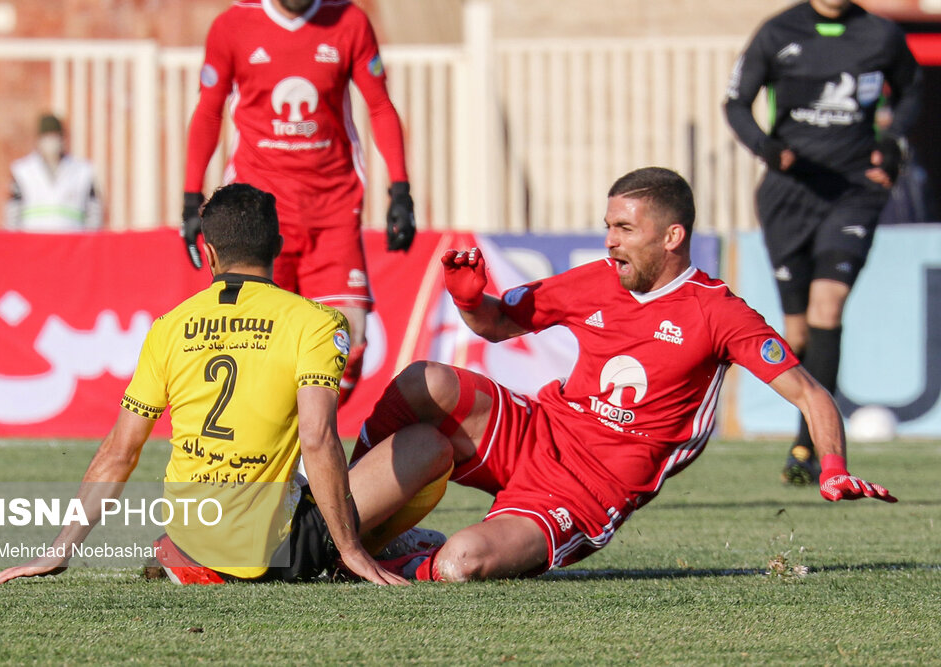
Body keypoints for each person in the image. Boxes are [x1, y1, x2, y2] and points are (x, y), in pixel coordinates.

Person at [351, 167, 895, 582]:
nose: (610, 240)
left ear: (672, 237)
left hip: (591, 490)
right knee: (425, 379)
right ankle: (336, 518)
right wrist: (469, 301)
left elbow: (810, 394)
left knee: (461, 564)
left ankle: (393, 563)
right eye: (608, 226)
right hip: (538, 431)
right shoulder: (598, 279)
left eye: (624, 228)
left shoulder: (720, 313)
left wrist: (832, 466)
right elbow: (495, 323)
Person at [0, 184, 451, 587]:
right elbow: (316, 436)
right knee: (429, 445)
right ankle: (363, 549)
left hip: (191, 527)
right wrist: (348, 546)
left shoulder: (169, 327)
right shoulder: (314, 322)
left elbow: (119, 450)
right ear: (278, 248)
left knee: (287, 475)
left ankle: (195, 555)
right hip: (272, 551)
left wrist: (61, 548)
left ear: (208, 252)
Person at [723, 0, 922, 484]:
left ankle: (809, 449)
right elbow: (734, 102)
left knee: (827, 308)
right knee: (799, 334)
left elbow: (913, 88)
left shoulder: (879, 34)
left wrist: (893, 141)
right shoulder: (778, 32)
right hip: (789, 195)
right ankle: (807, 437)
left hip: (853, 192)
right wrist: (766, 147)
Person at [180, 0, 416, 404]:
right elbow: (208, 112)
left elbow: (379, 105)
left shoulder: (349, 22)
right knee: (253, 344)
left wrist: (400, 190)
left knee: (349, 340)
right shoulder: (233, 25)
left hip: (333, 210)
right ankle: (274, 453)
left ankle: (307, 444)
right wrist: (190, 199)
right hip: (257, 217)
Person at [5, 113, 103, 232]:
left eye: (55, 137)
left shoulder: (82, 171)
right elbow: (13, 213)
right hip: (33, 241)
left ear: (62, 139)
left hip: (72, 242)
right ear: (38, 140)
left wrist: (90, 242)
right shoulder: (23, 171)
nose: (51, 142)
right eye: (47, 137)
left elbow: (94, 212)